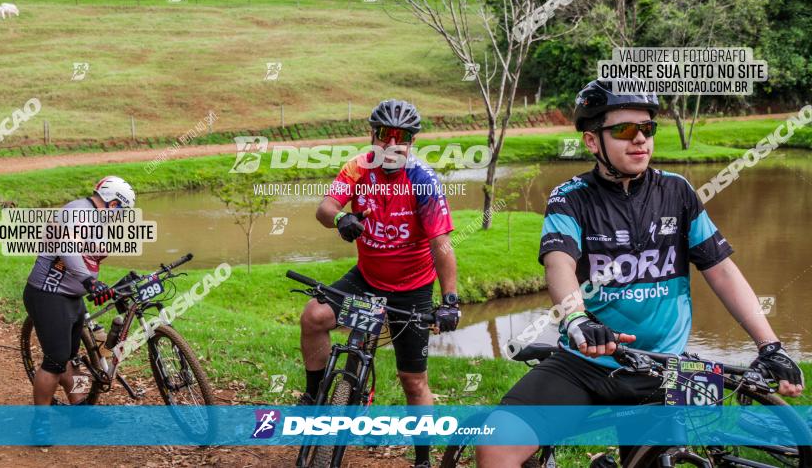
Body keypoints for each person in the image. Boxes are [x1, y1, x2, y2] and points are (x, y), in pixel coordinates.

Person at [477, 80, 804, 466]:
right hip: (586, 363)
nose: (640, 140)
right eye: (624, 130)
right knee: (497, 442)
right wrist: (577, 318)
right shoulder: (569, 197)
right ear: (592, 142)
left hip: (665, 368)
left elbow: (721, 271)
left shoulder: (677, 192)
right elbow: (559, 263)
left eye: (647, 128)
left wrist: (771, 345)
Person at [299, 99, 461, 468]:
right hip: (367, 279)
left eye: (401, 136)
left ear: (412, 141)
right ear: (372, 135)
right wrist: (340, 219)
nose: (392, 143)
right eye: (384, 134)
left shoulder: (423, 180)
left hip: (414, 288)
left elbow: (441, 244)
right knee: (313, 316)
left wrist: (449, 300)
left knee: (413, 380)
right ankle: (312, 395)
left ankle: (422, 460)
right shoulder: (358, 168)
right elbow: (324, 209)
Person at [23, 175, 136, 406]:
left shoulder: (96, 218)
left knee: (71, 359)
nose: (121, 217)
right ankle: (40, 424)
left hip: (73, 298)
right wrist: (88, 281)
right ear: (113, 204)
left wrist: (98, 284)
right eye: (122, 211)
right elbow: (68, 248)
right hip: (49, 295)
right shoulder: (77, 212)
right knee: (55, 361)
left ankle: (80, 406)